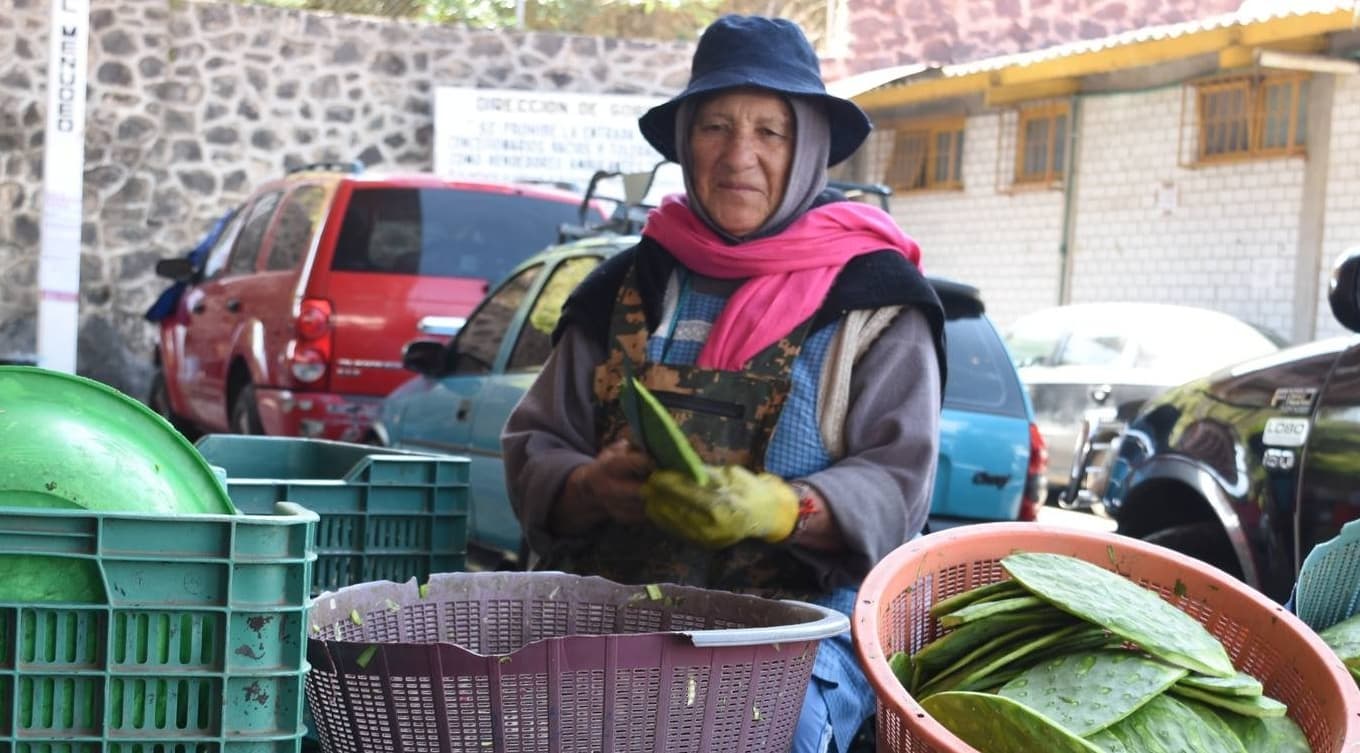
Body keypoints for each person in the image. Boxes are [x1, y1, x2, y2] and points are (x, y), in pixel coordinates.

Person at [501, 14, 946, 753]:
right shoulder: (621, 288)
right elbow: (533, 447)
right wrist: (588, 485)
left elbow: (900, 486)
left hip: (795, 637)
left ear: (807, 148)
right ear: (684, 141)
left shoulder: (876, 301)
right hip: (611, 626)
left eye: (770, 131)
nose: (740, 155)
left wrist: (782, 507)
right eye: (715, 126)